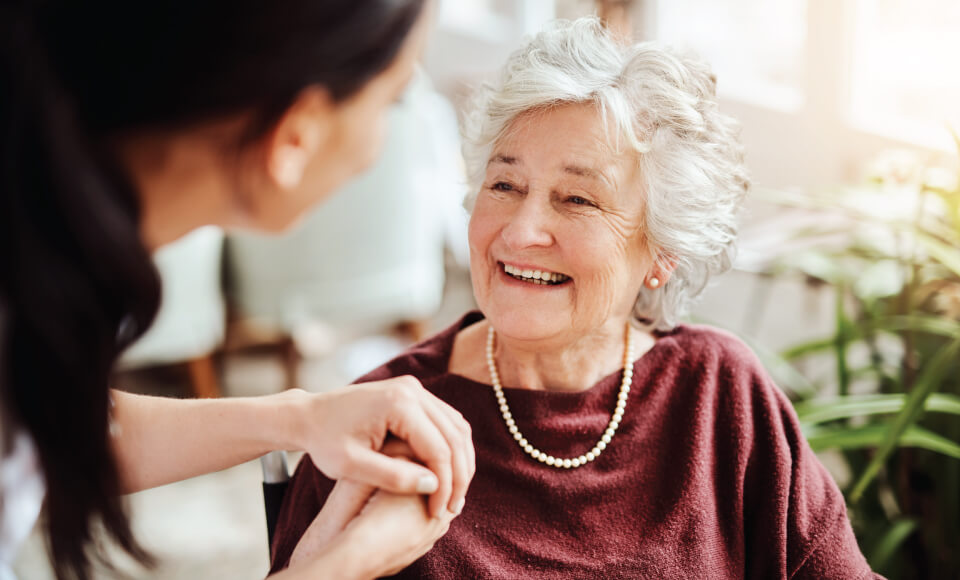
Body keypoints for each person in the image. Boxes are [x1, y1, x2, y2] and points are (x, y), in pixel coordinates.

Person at [269, 18, 882, 579]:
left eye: (577, 199)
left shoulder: (722, 393)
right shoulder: (377, 427)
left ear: (662, 253)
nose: (519, 231)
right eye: (504, 185)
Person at [0, 1, 475, 579]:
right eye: (393, 100)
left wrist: (299, 417)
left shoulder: (57, 242)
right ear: (295, 137)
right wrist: (337, 565)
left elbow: (50, 425)